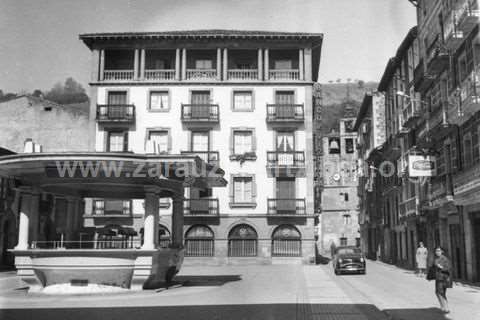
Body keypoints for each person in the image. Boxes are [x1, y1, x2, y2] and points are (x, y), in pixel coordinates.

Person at [433, 247, 452, 313]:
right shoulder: (436, 259)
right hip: (438, 278)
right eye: (436, 251)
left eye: (438, 251)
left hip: (443, 278)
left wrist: (441, 267)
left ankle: (445, 307)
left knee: (440, 293)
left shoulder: (444, 259)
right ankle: (443, 306)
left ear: (442, 251)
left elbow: (448, 268)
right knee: (439, 292)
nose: (437, 252)